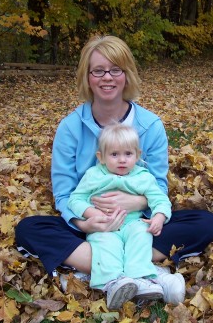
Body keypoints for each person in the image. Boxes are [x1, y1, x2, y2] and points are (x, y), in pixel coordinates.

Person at [15, 35, 213, 307]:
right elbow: (64, 195)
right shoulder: (70, 128)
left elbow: (158, 186)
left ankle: (96, 271)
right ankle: (146, 274)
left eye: (115, 70)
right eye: (98, 70)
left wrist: (138, 201)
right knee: (29, 229)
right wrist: (85, 222)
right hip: (92, 225)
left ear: (127, 74)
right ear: (87, 77)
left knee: (204, 223)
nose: (107, 78)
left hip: (138, 226)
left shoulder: (150, 126)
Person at [68, 123, 172, 309]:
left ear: (138, 155)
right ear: (101, 157)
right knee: (106, 244)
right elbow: (75, 199)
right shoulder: (93, 175)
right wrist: (91, 213)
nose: (122, 160)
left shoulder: (143, 177)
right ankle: (113, 282)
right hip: (105, 225)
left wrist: (159, 217)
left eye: (128, 154)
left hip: (133, 222)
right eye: (114, 154)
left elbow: (160, 199)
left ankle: (139, 278)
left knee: (142, 234)